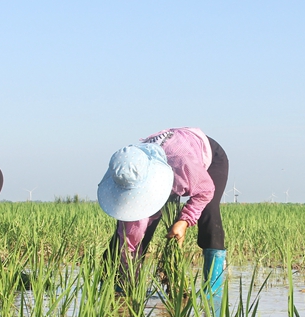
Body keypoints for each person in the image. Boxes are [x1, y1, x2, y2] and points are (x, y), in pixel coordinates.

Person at [97, 128, 228, 299]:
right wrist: (130, 282)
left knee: (209, 213)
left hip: (204, 157)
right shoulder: (127, 167)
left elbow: (205, 191)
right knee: (132, 226)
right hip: (161, 165)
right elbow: (129, 240)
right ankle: (116, 285)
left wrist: (184, 221)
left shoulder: (182, 161)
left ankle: (213, 289)